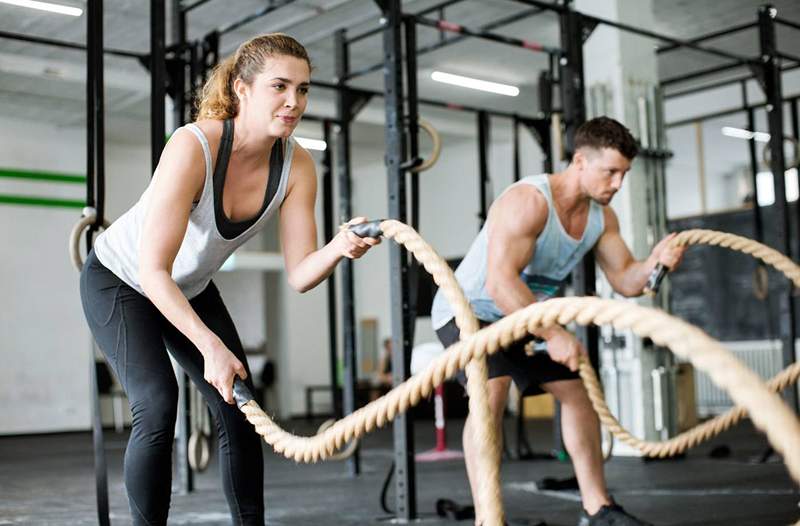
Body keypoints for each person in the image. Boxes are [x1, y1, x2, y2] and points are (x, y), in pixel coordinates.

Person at [79, 33, 379, 526]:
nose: (294, 101)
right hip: (122, 281)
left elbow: (302, 274)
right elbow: (153, 272)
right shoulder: (194, 145)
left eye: (303, 89)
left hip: (189, 287)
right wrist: (210, 345)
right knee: (157, 406)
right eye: (279, 86)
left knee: (241, 412)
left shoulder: (297, 164)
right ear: (241, 88)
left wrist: (338, 248)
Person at [430, 117, 685, 526]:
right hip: (470, 310)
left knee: (577, 392)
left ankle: (597, 508)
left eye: (624, 174)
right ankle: (487, 519)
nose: (618, 183)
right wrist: (554, 333)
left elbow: (626, 280)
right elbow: (499, 283)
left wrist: (656, 266)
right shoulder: (529, 201)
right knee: (490, 392)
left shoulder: (602, 218)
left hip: (525, 313)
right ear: (580, 161)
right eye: (611, 172)